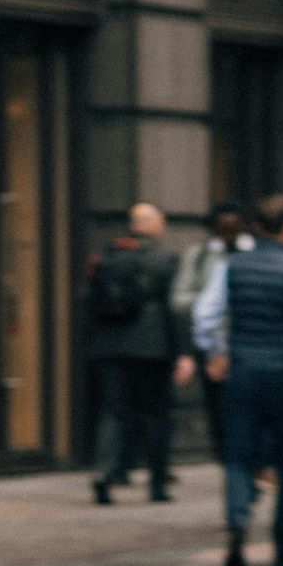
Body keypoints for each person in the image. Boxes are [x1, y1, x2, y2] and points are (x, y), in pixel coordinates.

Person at [192, 193, 283, 566]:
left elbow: (205, 315)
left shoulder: (232, 267)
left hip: (242, 373)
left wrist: (215, 352)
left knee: (238, 457)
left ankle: (238, 527)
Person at [87, 204, 192, 504]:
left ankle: (103, 474)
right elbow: (175, 309)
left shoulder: (108, 256)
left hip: (110, 346)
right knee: (156, 413)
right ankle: (157, 483)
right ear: (154, 225)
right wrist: (183, 352)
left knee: (113, 410)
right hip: (152, 348)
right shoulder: (165, 260)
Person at [171, 201, 252, 464]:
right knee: (220, 410)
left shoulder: (254, 253)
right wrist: (211, 300)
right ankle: (230, 461)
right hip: (216, 349)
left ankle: (246, 461)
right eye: (223, 228)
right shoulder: (201, 256)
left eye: (234, 227)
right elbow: (181, 298)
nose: (229, 232)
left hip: (252, 345)